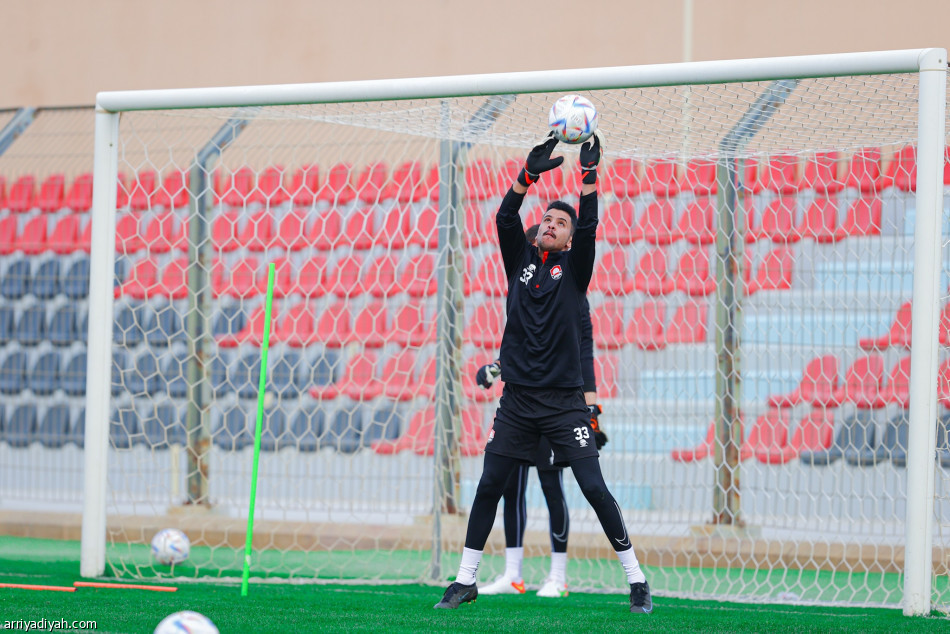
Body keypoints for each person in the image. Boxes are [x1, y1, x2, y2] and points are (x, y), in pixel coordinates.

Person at [434, 131, 652, 614]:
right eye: (547, 219)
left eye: (560, 223)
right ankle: (465, 580)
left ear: (570, 239)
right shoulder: (520, 262)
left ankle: (636, 580)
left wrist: (589, 176)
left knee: (593, 488)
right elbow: (504, 217)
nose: (551, 224)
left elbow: (590, 225)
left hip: (563, 405)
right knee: (490, 485)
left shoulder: (575, 271)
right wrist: (527, 176)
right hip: (516, 402)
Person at [474, 223, 608, 599]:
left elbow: (582, 349)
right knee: (510, 485)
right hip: (521, 404)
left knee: (551, 484)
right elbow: (522, 344)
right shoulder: (525, 288)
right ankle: (513, 574)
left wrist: (591, 406)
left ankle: (558, 575)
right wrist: (496, 368)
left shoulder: (572, 293)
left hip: (557, 405)